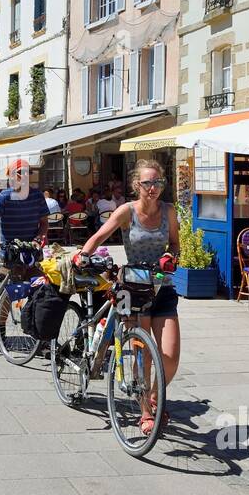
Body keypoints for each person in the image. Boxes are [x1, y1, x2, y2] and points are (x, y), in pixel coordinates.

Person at [76, 160, 181, 434]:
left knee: (170, 356)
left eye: (158, 182)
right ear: (137, 185)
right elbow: (100, 235)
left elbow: (175, 243)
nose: (153, 188)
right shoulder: (126, 211)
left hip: (163, 286)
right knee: (143, 353)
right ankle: (145, 410)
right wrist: (84, 255)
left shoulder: (169, 211)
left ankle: (156, 397)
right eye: (148, 183)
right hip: (133, 288)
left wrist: (171, 255)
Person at [0, 160, 49, 249]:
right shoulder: (5, 196)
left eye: (27, 172)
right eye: (20, 172)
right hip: (9, 252)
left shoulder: (38, 196)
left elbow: (44, 223)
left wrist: (38, 238)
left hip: (32, 250)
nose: (25, 175)